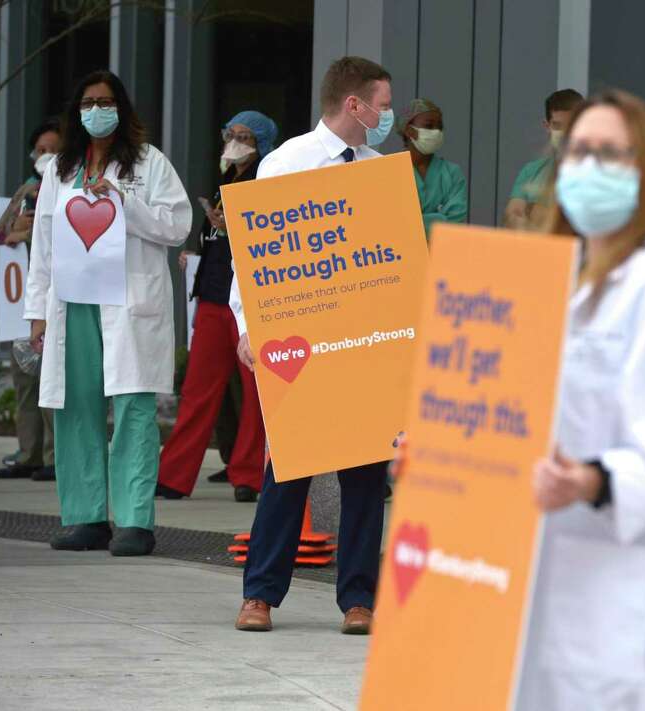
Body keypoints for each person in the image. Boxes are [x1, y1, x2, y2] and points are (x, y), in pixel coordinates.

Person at [518, 89, 645, 710]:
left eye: (611, 153)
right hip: (536, 595)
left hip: (623, 600)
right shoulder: (555, 285)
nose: (589, 166)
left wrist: (587, 480)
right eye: (579, 151)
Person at [230, 57, 393, 634]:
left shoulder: (380, 172)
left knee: (366, 473)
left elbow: (392, 265)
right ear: (355, 104)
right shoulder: (287, 163)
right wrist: (248, 323)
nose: (387, 115)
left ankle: (358, 599)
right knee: (290, 466)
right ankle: (260, 595)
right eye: (382, 103)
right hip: (299, 335)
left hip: (361, 339)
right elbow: (251, 252)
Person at [24, 70, 192, 556]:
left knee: (134, 409)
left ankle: (135, 521)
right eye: (90, 101)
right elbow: (43, 244)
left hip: (127, 301)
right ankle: (86, 517)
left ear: (122, 107)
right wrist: (37, 311)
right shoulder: (58, 169)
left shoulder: (149, 163)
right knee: (75, 409)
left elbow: (177, 225)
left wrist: (126, 203)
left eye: (107, 100)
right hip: (72, 302)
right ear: (77, 111)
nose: (99, 109)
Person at [154, 111, 277, 504]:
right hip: (213, 294)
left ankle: (248, 474)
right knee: (197, 389)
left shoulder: (269, 176)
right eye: (232, 133)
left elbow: (269, 235)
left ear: (261, 144)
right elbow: (217, 235)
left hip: (248, 301)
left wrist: (232, 228)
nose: (236, 141)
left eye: (245, 136)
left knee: (256, 395)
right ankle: (175, 474)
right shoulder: (227, 178)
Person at [0, 118, 60, 482]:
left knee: (52, 381)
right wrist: (23, 229)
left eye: (54, 149)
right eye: (42, 150)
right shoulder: (27, 191)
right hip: (22, 301)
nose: (47, 156)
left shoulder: (69, 187)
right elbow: (1, 232)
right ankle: (29, 452)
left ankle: (54, 455)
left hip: (58, 299)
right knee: (25, 380)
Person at [503, 88, 583, 229]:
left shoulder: (595, 171)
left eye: (570, 126)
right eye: (557, 126)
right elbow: (511, 217)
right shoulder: (532, 171)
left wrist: (533, 210)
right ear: (547, 126)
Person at [396, 98, 467, 232]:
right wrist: (439, 219)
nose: (436, 132)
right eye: (429, 126)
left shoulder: (452, 173)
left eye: (439, 127)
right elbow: (390, 222)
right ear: (409, 130)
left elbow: (455, 222)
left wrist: (411, 223)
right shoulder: (390, 172)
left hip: (441, 251)